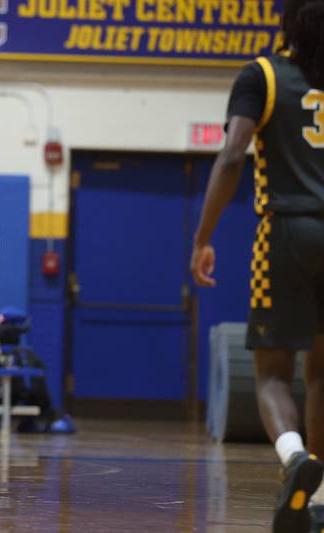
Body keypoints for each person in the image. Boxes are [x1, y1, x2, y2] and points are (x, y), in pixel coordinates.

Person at [190, 1, 324, 531]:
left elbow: (232, 154)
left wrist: (203, 237)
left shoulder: (263, 74)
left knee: (271, 375)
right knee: (322, 372)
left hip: (287, 231)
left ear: (288, 22)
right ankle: (320, 500)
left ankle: (295, 458)